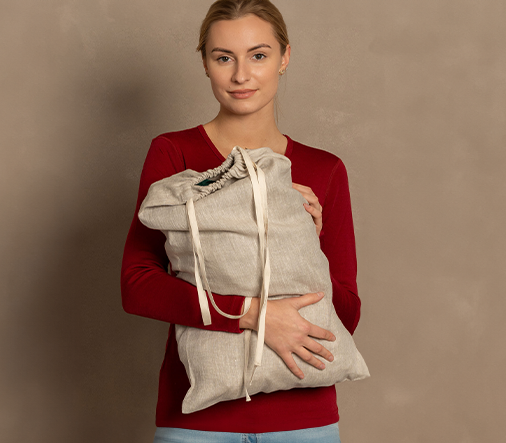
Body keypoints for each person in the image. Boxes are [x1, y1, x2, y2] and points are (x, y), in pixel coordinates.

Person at [120, 1, 360, 441]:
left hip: (305, 423)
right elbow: (137, 286)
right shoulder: (174, 154)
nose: (241, 75)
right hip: (198, 422)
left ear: (285, 57)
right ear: (205, 63)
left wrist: (310, 241)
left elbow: (346, 314)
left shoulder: (324, 169)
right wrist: (252, 314)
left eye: (259, 55)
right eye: (223, 57)